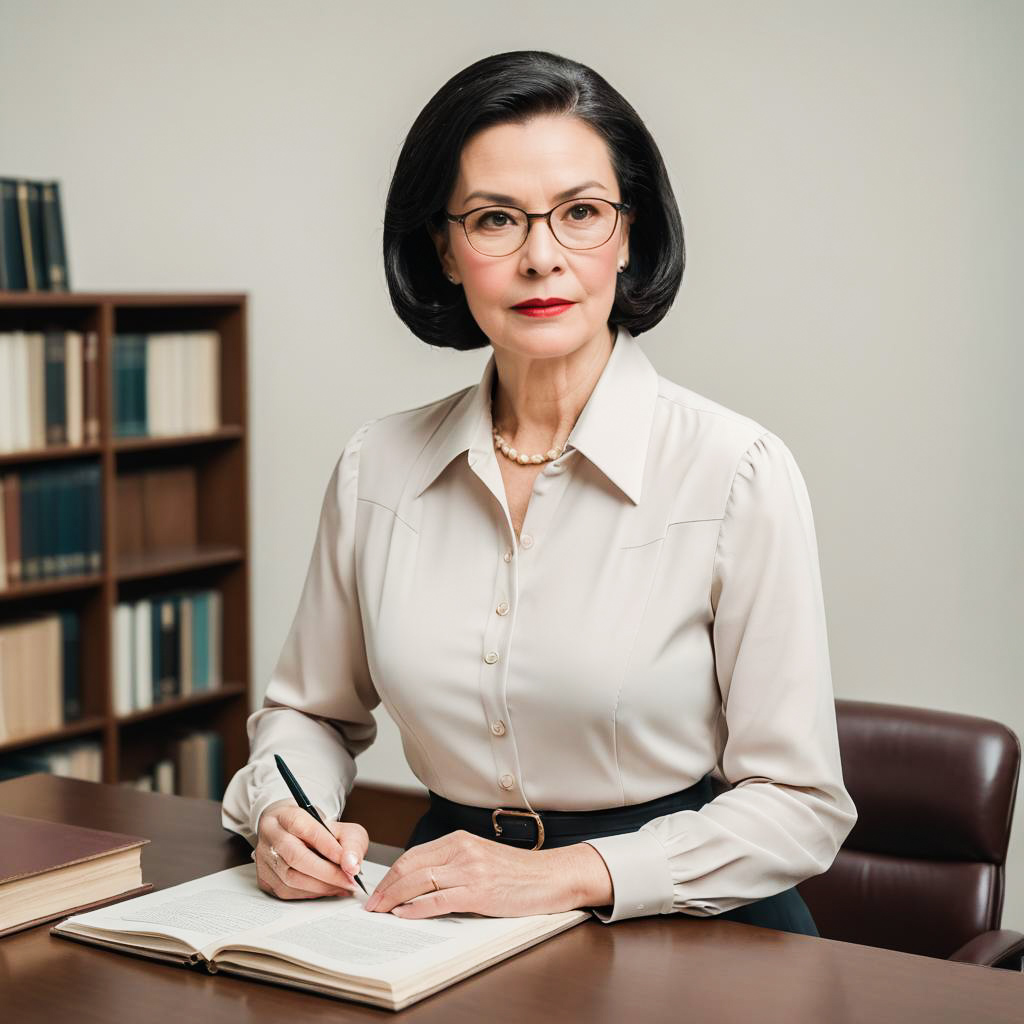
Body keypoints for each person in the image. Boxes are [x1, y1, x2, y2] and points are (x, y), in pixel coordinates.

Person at [221, 49, 857, 935]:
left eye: (582, 214)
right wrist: (284, 814)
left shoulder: (736, 469)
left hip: (687, 924)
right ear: (443, 249)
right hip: (437, 908)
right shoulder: (379, 465)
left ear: (630, 235)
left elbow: (799, 803)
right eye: (494, 220)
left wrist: (566, 875)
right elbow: (310, 714)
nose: (540, 258)